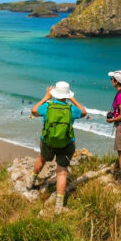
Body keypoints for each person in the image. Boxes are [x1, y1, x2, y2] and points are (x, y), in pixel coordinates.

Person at [31, 81, 88, 213]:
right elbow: (84, 112)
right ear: (67, 95)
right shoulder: (72, 109)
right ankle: (58, 205)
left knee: (42, 159)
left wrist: (46, 97)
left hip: (48, 142)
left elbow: (33, 111)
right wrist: (72, 99)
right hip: (66, 144)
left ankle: (31, 182)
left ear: (54, 94)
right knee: (62, 172)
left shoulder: (47, 106)